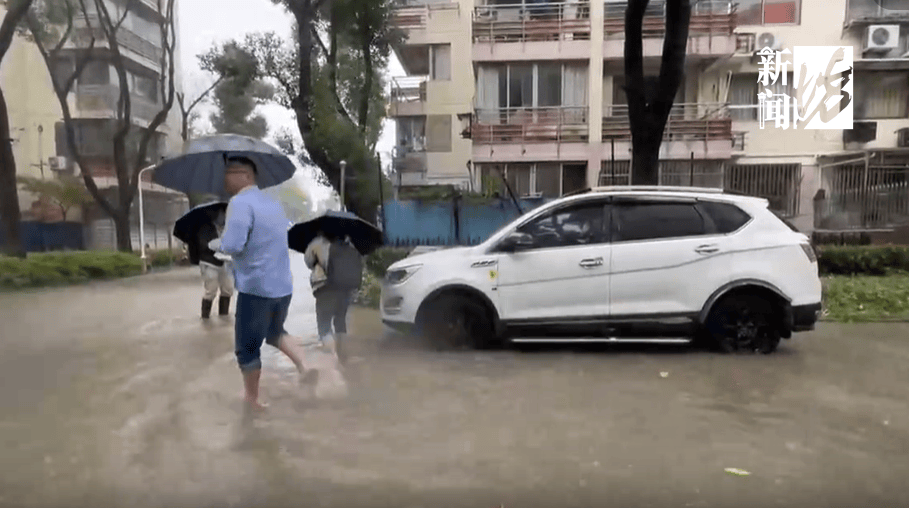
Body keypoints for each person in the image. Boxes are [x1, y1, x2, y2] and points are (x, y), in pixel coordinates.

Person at [210, 155, 318, 411]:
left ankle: (252, 399)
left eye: (229, 173)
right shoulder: (273, 203)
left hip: (256, 289)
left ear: (246, 176)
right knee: (274, 332)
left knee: (246, 348)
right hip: (282, 286)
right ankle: (305, 364)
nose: (225, 178)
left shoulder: (239, 203)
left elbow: (233, 245)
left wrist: (216, 244)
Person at [304, 229, 362, 364]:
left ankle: (333, 358)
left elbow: (308, 262)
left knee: (324, 325)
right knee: (340, 321)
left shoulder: (318, 242)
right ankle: (343, 356)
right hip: (345, 289)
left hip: (324, 288)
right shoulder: (349, 243)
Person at [196, 208, 233, 319]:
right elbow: (202, 245)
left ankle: (223, 317)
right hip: (209, 263)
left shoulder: (228, 228)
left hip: (225, 262)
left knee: (228, 289)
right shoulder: (204, 227)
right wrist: (215, 247)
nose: (223, 216)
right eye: (221, 214)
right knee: (211, 290)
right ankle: (205, 319)